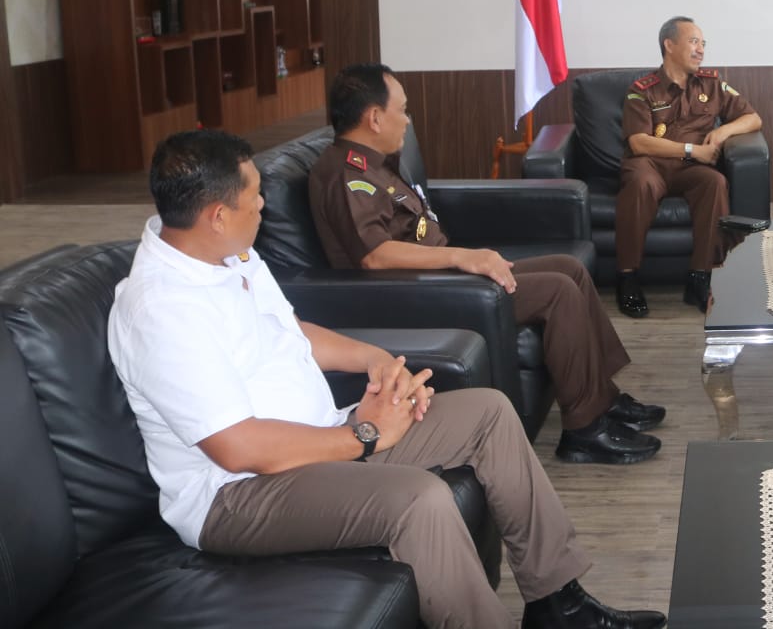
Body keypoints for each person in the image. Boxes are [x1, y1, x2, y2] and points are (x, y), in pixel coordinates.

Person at [109, 129, 666, 629]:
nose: (262, 205)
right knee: (419, 501)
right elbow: (238, 448)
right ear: (216, 215)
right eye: (253, 196)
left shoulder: (229, 254)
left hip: (320, 436)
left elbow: (290, 332)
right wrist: (365, 435)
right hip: (238, 494)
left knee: (490, 413)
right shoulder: (161, 310)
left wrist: (374, 360)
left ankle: (558, 605)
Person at [309, 63, 665, 466]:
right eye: (402, 110)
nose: (407, 120)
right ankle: (584, 430)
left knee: (571, 269)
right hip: (418, 295)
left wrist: (463, 260)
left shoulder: (376, 163)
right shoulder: (346, 173)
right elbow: (375, 255)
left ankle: (602, 396)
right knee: (557, 291)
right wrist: (461, 256)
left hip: (441, 278)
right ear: (374, 117)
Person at [616, 16, 763, 316]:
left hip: (690, 169)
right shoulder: (642, 89)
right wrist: (692, 150)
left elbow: (753, 118)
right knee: (642, 184)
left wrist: (723, 131)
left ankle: (701, 277)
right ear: (669, 45)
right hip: (650, 164)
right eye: (693, 42)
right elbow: (639, 142)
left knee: (714, 183)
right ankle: (627, 277)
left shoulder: (711, 83)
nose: (701, 50)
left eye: (703, 43)